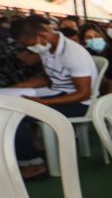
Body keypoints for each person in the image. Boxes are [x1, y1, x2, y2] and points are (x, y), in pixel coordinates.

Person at [9, 15, 98, 179]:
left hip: (78, 102)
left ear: (41, 36)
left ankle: (34, 164)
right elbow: (48, 77)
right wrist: (18, 87)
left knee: (15, 113)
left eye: (28, 45)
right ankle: (33, 148)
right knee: (4, 101)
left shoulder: (73, 53)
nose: (29, 49)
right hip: (56, 92)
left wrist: (45, 102)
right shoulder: (46, 47)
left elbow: (84, 93)